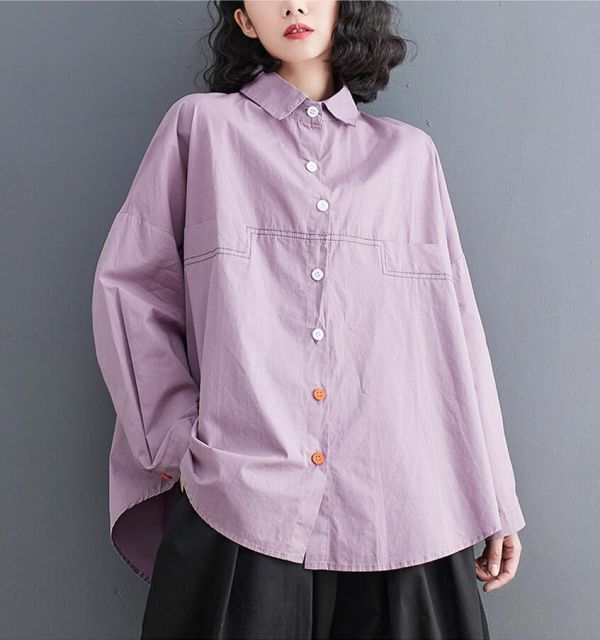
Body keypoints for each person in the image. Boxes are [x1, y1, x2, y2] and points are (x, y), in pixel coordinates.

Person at [91, 1, 526, 638]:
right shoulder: (201, 129)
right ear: (244, 20)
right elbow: (132, 289)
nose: (293, 4)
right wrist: (179, 441)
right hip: (240, 498)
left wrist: (496, 495)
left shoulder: (409, 157)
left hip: (398, 505)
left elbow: (455, 331)